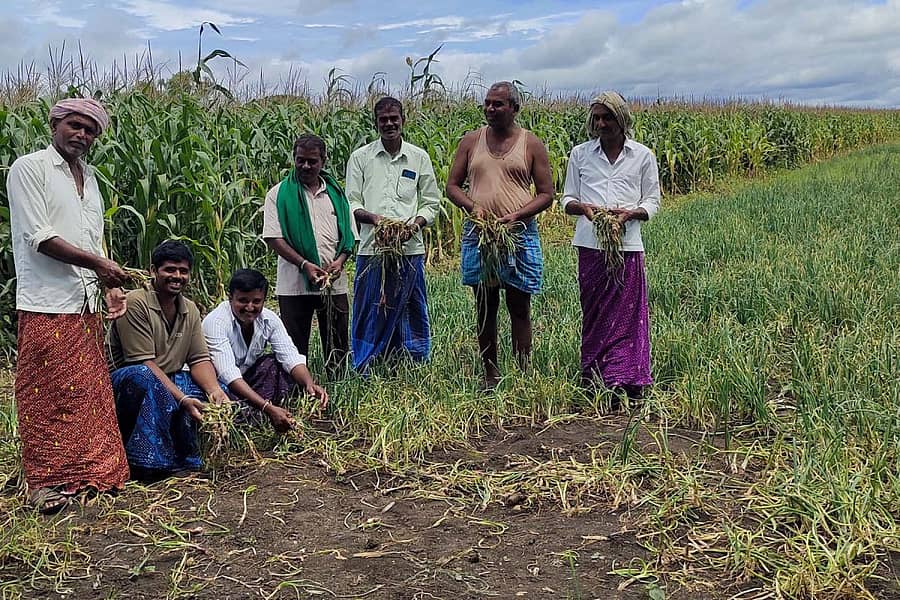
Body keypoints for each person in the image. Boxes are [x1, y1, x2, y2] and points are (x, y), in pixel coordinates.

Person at [7, 98, 130, 514]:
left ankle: (88, 473)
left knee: (85, 393)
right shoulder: (29, 168)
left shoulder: (89, 177)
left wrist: (107, 284)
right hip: (45, 302)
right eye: (74, 126)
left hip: (84, 302)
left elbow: (93, 238)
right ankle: (43, 482)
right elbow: (38, 237)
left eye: (90, 130)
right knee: (43, 394)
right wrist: (99, 264)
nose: (81, 135)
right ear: (55, 123)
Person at [446, 81, 555, 390]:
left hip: (517, 235)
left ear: (515, 109)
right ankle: (490, 374)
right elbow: (452, 186)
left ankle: (523, 372)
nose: (490, 109)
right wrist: (473, 207)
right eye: (488, 103)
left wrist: (519, 214)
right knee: (485, 305)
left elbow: (547, 193)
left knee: (519, 305)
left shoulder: (530, 144)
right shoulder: (471, 141)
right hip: (480, 234)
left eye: (498, 104)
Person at [561, 91, 660, 405]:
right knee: (595, 314)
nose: (601, 124)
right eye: (597, 118)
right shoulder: (580, 154)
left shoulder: (643, 156)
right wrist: (588, 210)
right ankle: (594, 378)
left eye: (608, 117)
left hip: (627, 245)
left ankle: (628, 379)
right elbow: (567, 200)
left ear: (622, 119)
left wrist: (630, 214)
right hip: (590, 244)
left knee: (629, 315)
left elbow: (652, 202)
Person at [107, 240, 229, 479]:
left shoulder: (190, 309)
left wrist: (215, 391)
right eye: (169, 270)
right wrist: (182, 399)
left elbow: (199, 359)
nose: (177, 276)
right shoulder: (134, 303)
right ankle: (147, 464)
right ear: (153, 271)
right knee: (147, 380)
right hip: (129, 381)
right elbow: (143, 363)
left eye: (183, 271)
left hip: (166, 377)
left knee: (218, 388)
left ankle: (187, 456)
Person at [346, 96, 441, 372]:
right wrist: (376, 220)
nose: (389, 124)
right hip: (372, 247)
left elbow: (431, 203)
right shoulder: (361, 158)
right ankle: (366, 361)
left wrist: (413, 225)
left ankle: (413, 360)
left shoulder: (418, 157)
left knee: (411, 304)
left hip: (409, 247)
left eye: (393, 118)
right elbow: (351, 202)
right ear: (375, 123)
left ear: (403, 120)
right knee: (370, 305)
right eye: (383, 120)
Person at [263, 134, 356, 378]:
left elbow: (348, 238)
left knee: (337, 343)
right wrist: (304, 264)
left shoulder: (336, 194)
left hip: (332, 284)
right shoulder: (278, 194)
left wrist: (339, 262)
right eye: (300, 160)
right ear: (293, 159)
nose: (305, 166)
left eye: (312, 161)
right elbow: (273, 237)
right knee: (293, 346)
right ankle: (296, 391)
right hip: (294, 284)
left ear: (323, 161)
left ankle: (339, 387)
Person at [202, 269, 328, 431]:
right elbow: (228, 375)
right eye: (242, 301)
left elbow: (290, 356)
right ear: (230, 297)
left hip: (247, 379)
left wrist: (309, 384)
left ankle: (264, 415)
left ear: (264, 300)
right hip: (221, 385)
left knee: (275, 365)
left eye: (256, 301)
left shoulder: (269, 319)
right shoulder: (216, 322)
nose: (249, 307)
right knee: (222, 394)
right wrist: (267, 407)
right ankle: (253, 417)